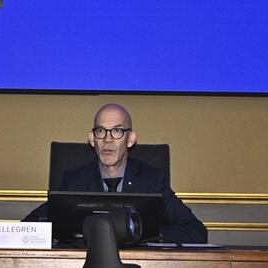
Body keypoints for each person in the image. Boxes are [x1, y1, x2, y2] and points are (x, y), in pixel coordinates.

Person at [24, 103, 208, 244]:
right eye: (101, 131)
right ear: (92, 139)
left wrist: (142, 233)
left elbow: (196, 230)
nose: (108, 139)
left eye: (117, 131)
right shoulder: (75, 179)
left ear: (130, 139)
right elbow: (30, 226)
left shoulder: (151, 179)